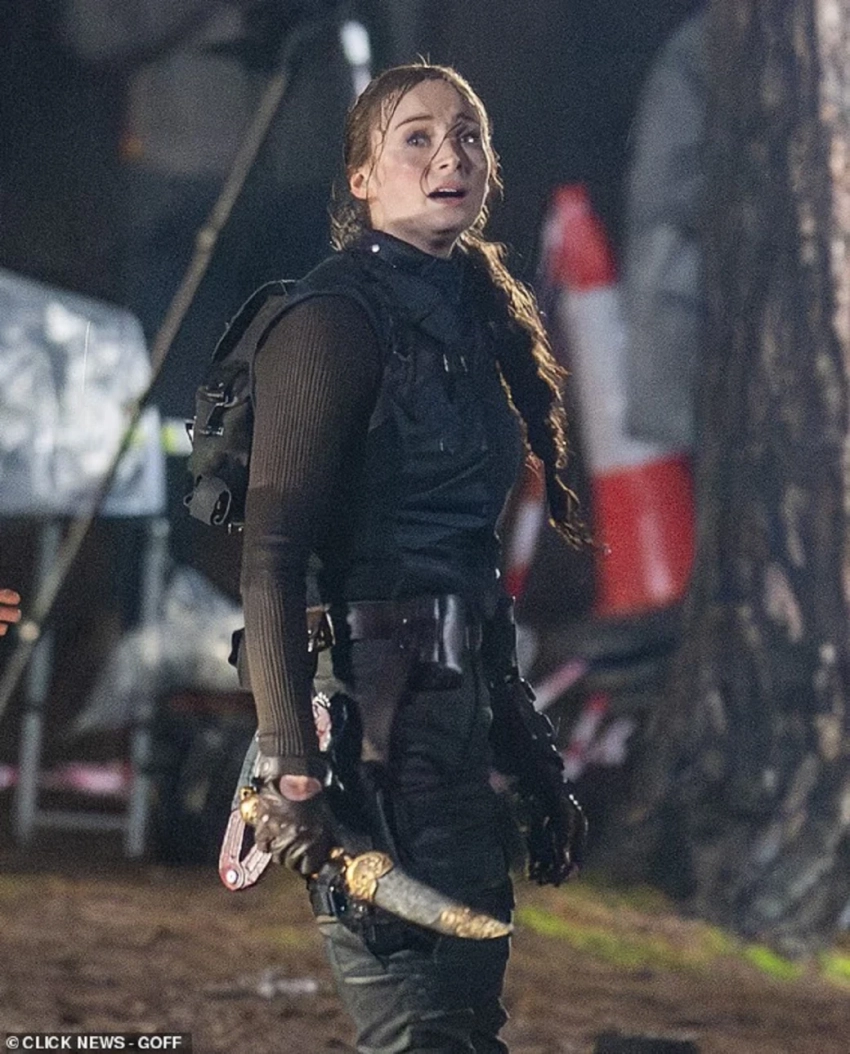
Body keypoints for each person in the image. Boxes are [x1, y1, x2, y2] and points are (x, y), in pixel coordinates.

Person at [238, 62, 586, 1053]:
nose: (451, 156)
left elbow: (469, 573)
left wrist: (531, 757)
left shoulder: (474, 315)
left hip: (451, 728)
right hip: (368, 735)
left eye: (468, 135)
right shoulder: (330, 319)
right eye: (418, 138)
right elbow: (271, 557)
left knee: (462, 1022)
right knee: (421, 1028)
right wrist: (292, 768)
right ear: (362, 179)